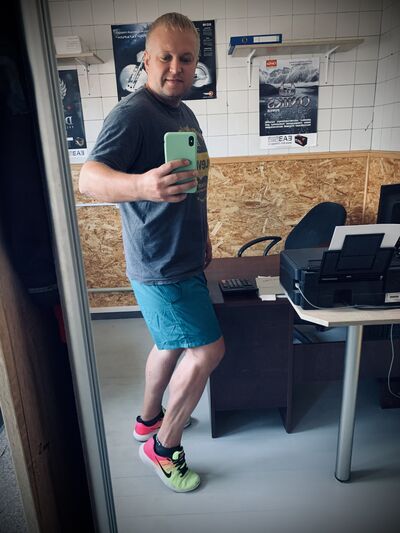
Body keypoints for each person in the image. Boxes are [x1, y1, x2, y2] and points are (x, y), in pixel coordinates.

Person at [79, 12, 225, 493]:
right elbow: (89, 179)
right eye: (165, 57)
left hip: (181, 255)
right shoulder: (134, 113)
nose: (175, 68)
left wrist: (202, 233)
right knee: (208, 351)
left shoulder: (183, 113)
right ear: (145, 59)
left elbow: (193, 183)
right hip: (161, 265)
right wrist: (142, 185)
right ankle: (163, 447)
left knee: (169, 344)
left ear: (196, 64)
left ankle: (148, 420)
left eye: (186, 58)